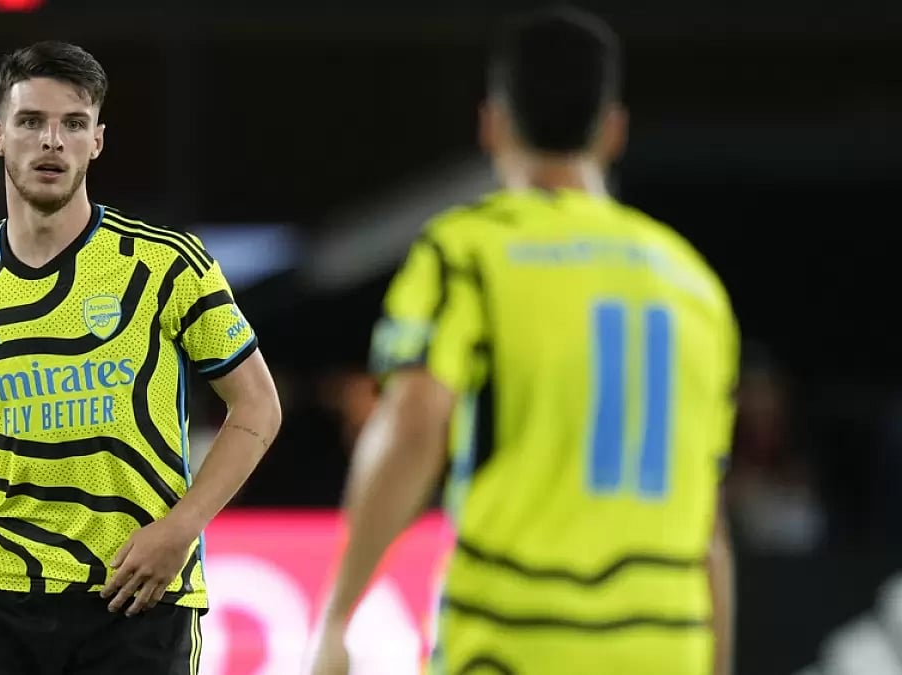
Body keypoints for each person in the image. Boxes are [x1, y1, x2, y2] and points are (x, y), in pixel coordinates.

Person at [0, 40, 282, 675]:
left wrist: (181, 530)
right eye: (31, 122)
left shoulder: (165, 266)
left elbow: (257, 405)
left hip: (138, 599)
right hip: (4, 602)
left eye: (72, 124)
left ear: (97, 140)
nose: (52, 141)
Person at [309, 8, 737, 675]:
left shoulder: (467, 251)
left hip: (515, 639)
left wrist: (337, 613)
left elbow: (414, 422)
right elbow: (709, 522)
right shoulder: (694, 284)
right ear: (614, 129)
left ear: (493, 123)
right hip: (666, 643)